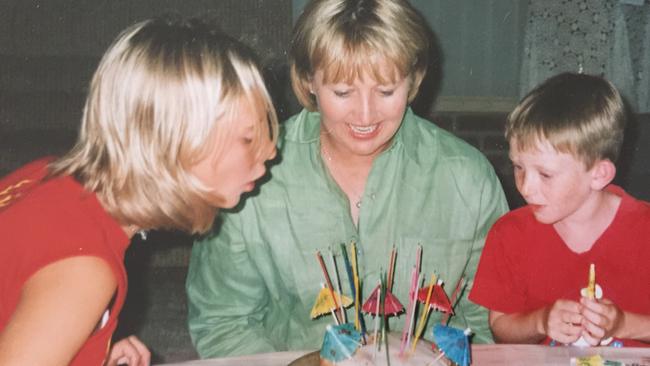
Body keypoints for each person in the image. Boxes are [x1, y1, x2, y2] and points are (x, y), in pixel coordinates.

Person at [186, 0, 509, 358]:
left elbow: (490, 324)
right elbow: (223, 322)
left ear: (413, 80)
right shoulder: (250, 178)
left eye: (386, 91)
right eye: (342, 92)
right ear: (308, 80)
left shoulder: (467, 180)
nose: (366, 114)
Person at [0, 17, 278, 366]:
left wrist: (89, 348)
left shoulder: (49, 176)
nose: (270, 151)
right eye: (248, 138)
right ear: (171, 146)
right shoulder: (84, 272)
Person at [469, 73, 650, 347]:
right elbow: (500, 327)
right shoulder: (509, 234)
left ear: (599, 175)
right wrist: (541, 321)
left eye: (545, 174)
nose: (526, 188)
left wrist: (624, 324)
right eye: (518, 167)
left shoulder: (643, 230)